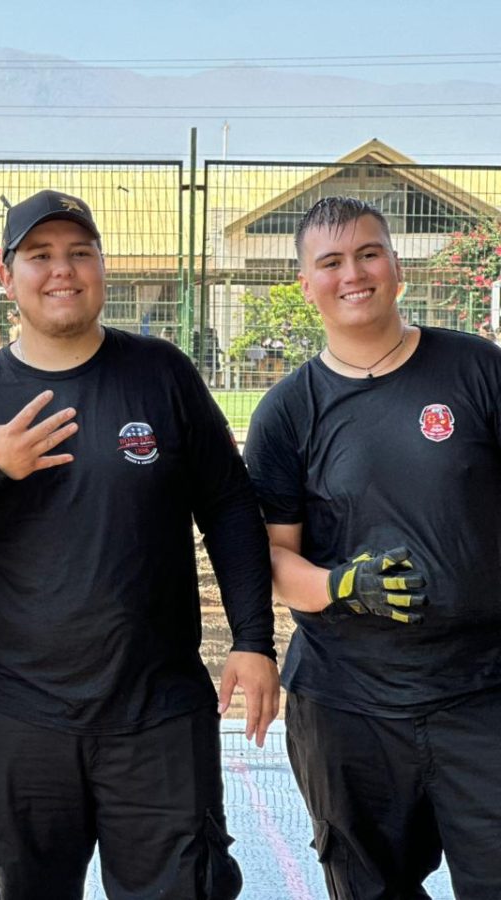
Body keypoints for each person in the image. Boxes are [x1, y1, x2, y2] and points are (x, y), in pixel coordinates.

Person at [0, 189, 278, 900]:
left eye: (79, 253)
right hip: (17, 718)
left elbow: (228, 506)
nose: (61, 271)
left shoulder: (160, 374)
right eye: (40, 256)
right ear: (8, 278)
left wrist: (253, 640)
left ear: (101, 267)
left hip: (155, 714)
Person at [243, 195, 501, 900]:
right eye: (330, 262)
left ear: (395, 267)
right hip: (347, 704)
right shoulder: (289, 411)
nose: (352, 273)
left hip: (481, 693)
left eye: (368, 253)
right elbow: (272, 557)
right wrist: (341, 586)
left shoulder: (478, 372)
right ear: (306, 285)